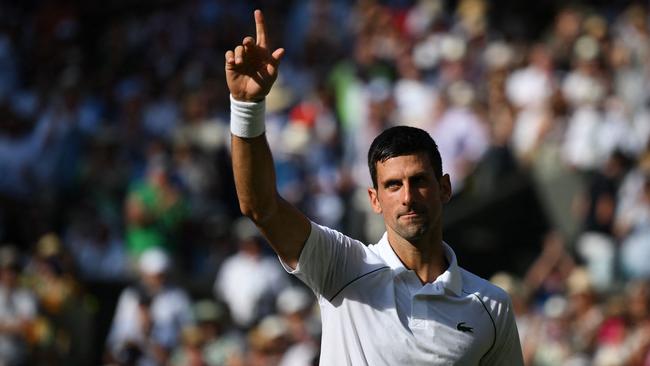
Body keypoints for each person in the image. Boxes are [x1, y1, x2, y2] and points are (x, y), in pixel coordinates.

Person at [225, 10, 524, 365]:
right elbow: (260, 207)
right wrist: (247, 107)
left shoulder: (491, 306)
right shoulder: (342, 266)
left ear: (445, 188)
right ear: (375, 199)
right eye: (393, 185)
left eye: (419, 182)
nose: (408, 197)